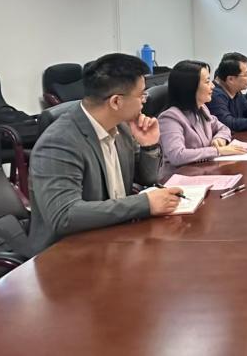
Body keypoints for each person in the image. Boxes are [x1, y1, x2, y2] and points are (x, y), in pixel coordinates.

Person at [28, 53, 183, 255]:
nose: (144, 101)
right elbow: (65, 215)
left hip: (114, 239)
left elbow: (147, 178)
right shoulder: (59, 142)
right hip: (68, 253)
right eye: (141, 95)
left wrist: (149, 146)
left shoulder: (121, 128)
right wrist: (144, 203)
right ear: (116, 102)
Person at [158, 60, 247, 176]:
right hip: (180, 179)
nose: (212, 86)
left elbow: (223, 128)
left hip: (203, 172)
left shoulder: (202, 108)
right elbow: (177, 155)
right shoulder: (169, 118)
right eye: (207, 82)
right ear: (190, 87)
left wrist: (220, 138)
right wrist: (217, 151)